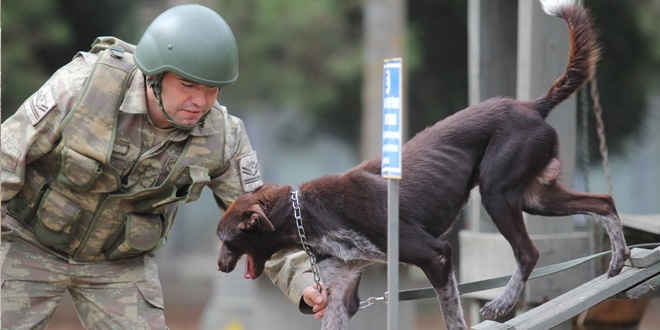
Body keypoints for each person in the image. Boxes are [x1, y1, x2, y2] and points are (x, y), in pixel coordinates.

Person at [1, 4, 326, 329]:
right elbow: (7, 157)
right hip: (29, 243)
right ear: (154, 76)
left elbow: (260, 221)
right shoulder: (82, 87)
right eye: (187, 85)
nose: (200, 101)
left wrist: (305, 282)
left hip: (118, 265)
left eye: (211, 89)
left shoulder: (222, 138)